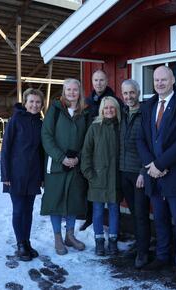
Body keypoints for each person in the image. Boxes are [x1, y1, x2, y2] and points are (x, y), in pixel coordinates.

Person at [137, 65, 176, 283]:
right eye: (156, 80)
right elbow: (140, 139)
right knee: (160, 219)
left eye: (164, 79)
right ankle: (162, 257)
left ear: (172, 80)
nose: (160, 83)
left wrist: (161, 164)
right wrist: (150, 165)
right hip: (154, 173)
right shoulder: (149, 105)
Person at [41, 78, 89, 255]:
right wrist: (61, 157)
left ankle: (70, 235)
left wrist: (79, 157)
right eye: (68, 90)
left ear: (79, 91)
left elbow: (88, 139)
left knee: (73, 200)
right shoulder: (54, 109)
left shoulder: (85, 112)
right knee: (56, 201)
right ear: (63, 91)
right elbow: (46, 136)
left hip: (76, 164)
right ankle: (58, 238)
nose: (71, 93)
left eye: (75, 90)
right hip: (56, 165)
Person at [0, 88, 44, 261]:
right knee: (18, 210)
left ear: (41, 104)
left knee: (29, 210)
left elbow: (41, 152)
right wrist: (5, 175)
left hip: (33, 174)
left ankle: (27, 242)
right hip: (15, 174)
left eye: (38, 102)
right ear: (25, 102)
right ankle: (20, 244)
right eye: (31, 101)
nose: (34, 105)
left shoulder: (40, 123)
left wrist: (42, 176)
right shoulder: (16, 120)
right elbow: (5, 149)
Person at [81, 69, 123, 231]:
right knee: (93, 199)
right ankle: (89, 219)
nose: (98, 83)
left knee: (113, 206)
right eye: (95, 80)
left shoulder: (115, 101)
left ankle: (113, 234)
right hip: (93, 152)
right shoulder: (87, 102)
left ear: (107, 81)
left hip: (111, 163)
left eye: (101, 80)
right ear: (92, 82)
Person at [81, 96, 121, 256]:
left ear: (116, 109)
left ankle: (113, 241)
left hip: (115, 178)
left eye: (112, 108)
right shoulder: (95, 127)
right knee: (97, 211)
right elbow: (86, 153)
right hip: (97, 177)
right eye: (106, 108)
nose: (109, 110)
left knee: (114, 211)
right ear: (101, 110)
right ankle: (99, 241)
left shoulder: (120, 127)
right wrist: (89, 173)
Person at [119, 79, 151, 269]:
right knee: (133, 212)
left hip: (139, 174)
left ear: (138, 92)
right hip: (124, 172)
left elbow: (150, 145)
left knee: (141, 214)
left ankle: (143, 252)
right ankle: (139, 245)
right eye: (125, 93)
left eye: (132, 93)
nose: (129, 97)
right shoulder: (121, 114)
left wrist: (143, 172)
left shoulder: (145, 114)